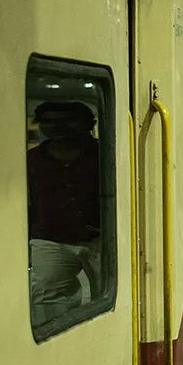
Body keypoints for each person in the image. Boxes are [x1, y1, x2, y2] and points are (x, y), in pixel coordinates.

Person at [27, 100, 103, 334]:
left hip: (103, 239)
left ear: (90, 124)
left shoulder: (107, 154)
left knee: (113, 297)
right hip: (50, 239)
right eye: (47, 122)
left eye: (68, 121)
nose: (56, 127)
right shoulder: (32, 160)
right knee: (48, 298)